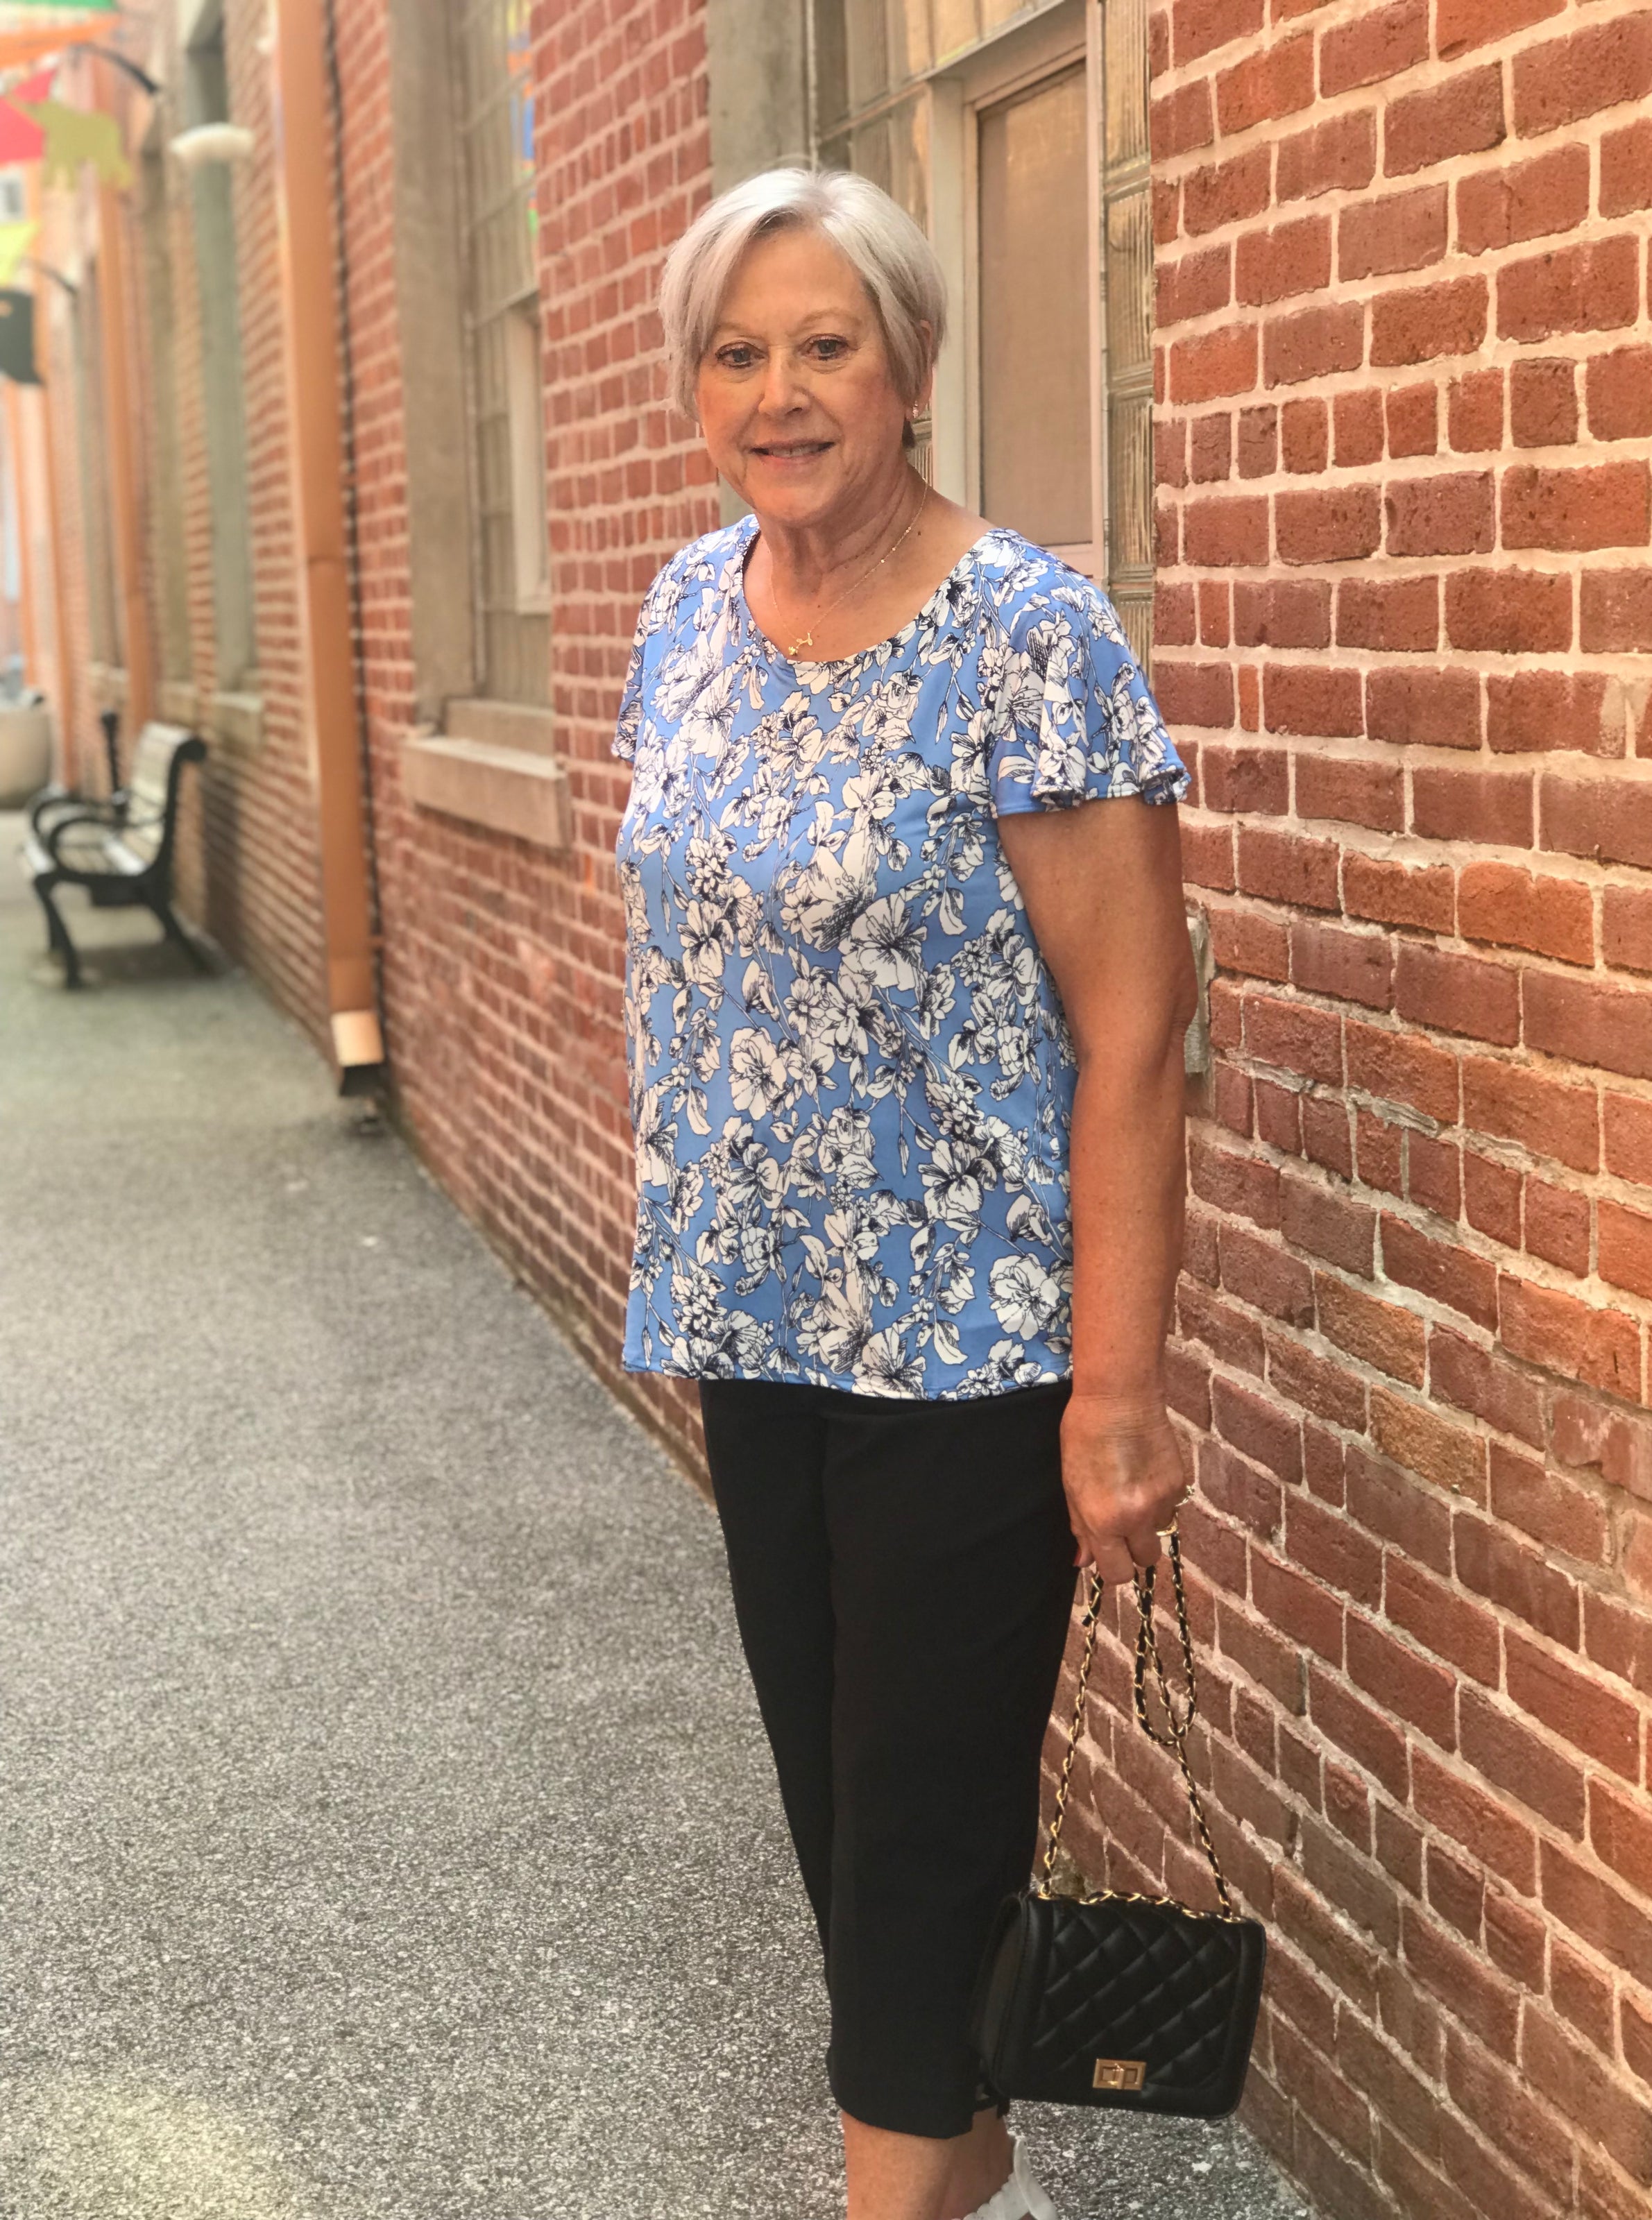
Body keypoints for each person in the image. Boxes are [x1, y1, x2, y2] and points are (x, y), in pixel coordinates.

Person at [612, 166, 1196, 2220]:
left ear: (913, 363)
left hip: (970, 1346)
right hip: (752, 1326)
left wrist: (1117, 1390)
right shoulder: (687, 613)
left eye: (824, 347)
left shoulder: (1028, 634)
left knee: (924, 1841)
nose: (778, 394)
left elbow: (1136, 1030)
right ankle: (967, 2159)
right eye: (736, 353)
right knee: (852, 1843)